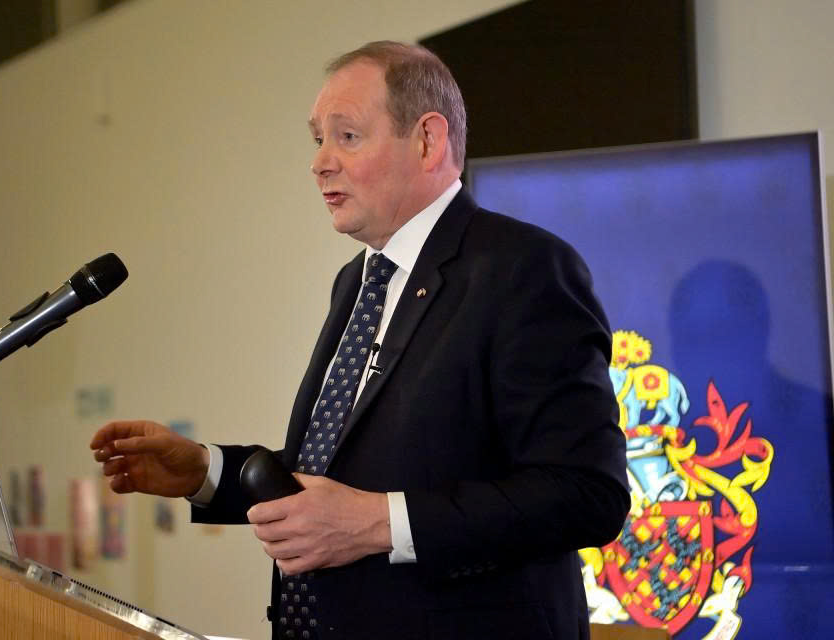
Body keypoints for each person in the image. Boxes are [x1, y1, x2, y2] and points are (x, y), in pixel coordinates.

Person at [91, 41, 628, 640]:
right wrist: (206, 471)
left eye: (346, 136)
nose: (320, 163)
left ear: (427, 141)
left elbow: (587, 492)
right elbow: (339, 477)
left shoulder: (523, 269)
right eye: (317, 139)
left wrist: (378, 524)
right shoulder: (358, 280)